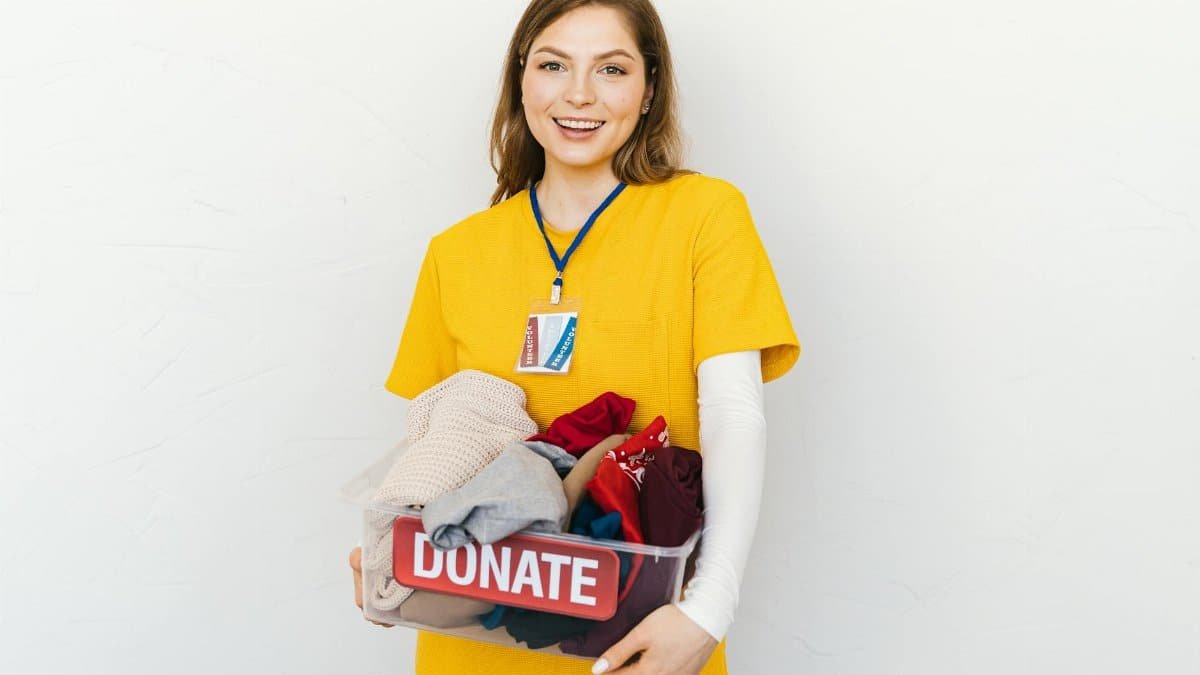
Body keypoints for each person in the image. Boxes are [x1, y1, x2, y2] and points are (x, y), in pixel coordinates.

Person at [348, 1, 799, 673]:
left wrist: (709, 608)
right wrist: (396, 561)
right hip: (473, 639)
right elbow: (436, 450)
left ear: (649, 90)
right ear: (521, 81)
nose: (579, 93)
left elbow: (733, 415)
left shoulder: (705, 218)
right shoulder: (457, 253)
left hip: (640, 640)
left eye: (611, 69)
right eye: (553, 65)